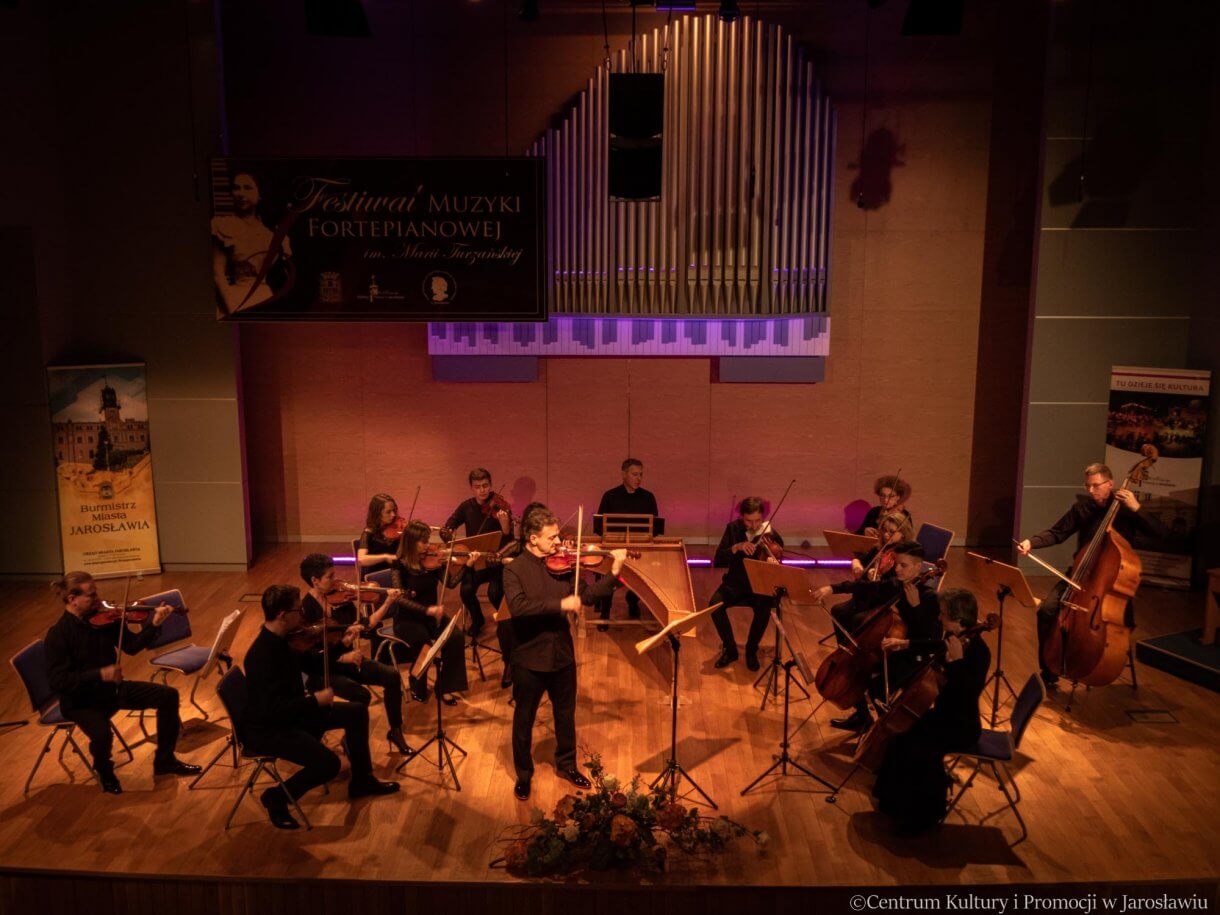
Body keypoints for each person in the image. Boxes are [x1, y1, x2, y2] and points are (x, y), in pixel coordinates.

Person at [244, 585, 399, 830]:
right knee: (329, 764)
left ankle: (362, 780)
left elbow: (315, 664)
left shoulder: (285, 640)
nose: (302, 616)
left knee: (357, 711)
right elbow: (272, 710)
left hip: (294, 714)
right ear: (283, 615)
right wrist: (314, 701)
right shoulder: (260, 656)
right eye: (298, 611)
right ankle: (277, 797)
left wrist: (341, 645)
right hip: (271, 729)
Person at [501, 506, 627, 801]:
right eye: (552, 538)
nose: (559, 544)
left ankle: (567, 764)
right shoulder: (514, 570)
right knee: (524, 718)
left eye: (558, 537)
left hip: (561, 655)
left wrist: (614, 572)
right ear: (533, 539)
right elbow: (519, 608)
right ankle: (523, 774)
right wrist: (561, 606)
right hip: (529, 659)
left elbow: (588, 596)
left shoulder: (564, 567)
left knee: (565, 714)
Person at [43, 572, 201, 794]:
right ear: (72, 599)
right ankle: (105, 771)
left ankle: (165, 760)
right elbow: (59, 681)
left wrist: (154, 624)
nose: (98, 599)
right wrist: (100, 674)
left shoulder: (104, 620)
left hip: (111, 691)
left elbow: (132, 646)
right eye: (91, 594)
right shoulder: (58, 635)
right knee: (102, 734)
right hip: (81, 701)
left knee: (168, 695)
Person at [1017, 461, 1169, 688]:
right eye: (1088, 486)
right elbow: (1058, 533)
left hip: (1109, 585)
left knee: (1102, 626)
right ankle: (1049, 671)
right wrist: (1031, 542)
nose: (1091, 491)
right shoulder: (1083, 508)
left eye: (1096, 486)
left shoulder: (1126, 509)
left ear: (1111, 484)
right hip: (1080, 574)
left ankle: (1091, 663)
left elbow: (1162, 534)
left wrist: (1137, 508)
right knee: (1047, 610)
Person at [871, 588, 991, 833]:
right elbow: (933, 645)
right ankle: (893, 804)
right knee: (900, 736)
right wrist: (905, 643)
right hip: (944, 716)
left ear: (958, 619)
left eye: (943, 614)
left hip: (961, 725)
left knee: (919, 749)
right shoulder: (954, 638)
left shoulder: (978, 652)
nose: (939, 618)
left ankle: (923, 817)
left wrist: (956, 663)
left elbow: (966, 694)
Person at [814, 540, 942, 732]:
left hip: (912, 652)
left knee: (875, 686)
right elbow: (865, 587)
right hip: (889, 648)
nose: (897, 569)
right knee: (855, 670)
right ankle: (863, 718)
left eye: (903, 565)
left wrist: (916, 607)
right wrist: (832, 588)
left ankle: (886, 734)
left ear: (918, 567)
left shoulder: (929, 597)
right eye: (897, 563)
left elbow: (932, 637)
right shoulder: (895, 584)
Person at [297, 553, 412, 756]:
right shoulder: (306, 610)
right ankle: (351, 739)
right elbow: (311, 654)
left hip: (349, 661)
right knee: (360, 694)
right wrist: (343, 656)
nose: (337, 581)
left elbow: (365, 626)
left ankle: (395, 731)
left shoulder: (340, 599)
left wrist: (387, 603)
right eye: (330, 577)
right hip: (324, 670)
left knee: (391, 676)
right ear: (314, 581)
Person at [389, 521, 471, 703]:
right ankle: (416, 682)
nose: (428, 545)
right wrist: (428, 610)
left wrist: (466, 566)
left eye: (428, 540)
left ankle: (445, 687)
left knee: (456, 637)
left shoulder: (433, 561)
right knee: (424, 642)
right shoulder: (399, 565)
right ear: (410, 542)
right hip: (407, 619)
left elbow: (450, 583)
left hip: (432, 617)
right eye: (423, 542)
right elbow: (400, 599)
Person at [708, 497, 784, 671]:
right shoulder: (733, 529)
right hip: (735, 584)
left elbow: (780, 550)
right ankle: (731, 649)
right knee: (714, 605)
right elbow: (719, 558)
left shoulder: (768, 531)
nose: (754, 525)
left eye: (758, 520)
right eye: (749, 521)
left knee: (765, 608)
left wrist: (773, 558)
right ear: (742, 516)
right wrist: (737, 547)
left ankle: (751, 650)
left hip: (759, 585)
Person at [441, 468, 512, 636]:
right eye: (478, 486)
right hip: (474, 561)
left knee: (494, 593)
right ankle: (477, 619)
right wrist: (448, 532)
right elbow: (449, 525)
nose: (482, 490)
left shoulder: (501, 507)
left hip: (495, 561)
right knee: (466, 590)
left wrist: (505, 526)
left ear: (491, 485)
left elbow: (510, 542)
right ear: (472, 488)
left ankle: (505, 622)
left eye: (486, 485)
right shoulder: (466, 507)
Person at [211, 170, 292, 316]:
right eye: (236, 188)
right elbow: (217, 274)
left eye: (247, 188)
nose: (241, 193)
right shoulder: (224, 226)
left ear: (259, 194)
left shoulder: (271, 234)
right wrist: (234, 309)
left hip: (265, 296)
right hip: (234, 299)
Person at [593, 458, 658, 626]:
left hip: (639, 546)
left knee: (642, 574)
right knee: (609, 576)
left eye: (641, 475)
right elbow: (599, 526)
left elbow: (655, 526)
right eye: (634, 474)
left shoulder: (648, 497)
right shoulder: (610, 496)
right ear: (624, 474)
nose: (638, 479)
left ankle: (633, 599)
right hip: (615, 546)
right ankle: (605, 615)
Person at [357, 493, 402, 575]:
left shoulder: (397, 530)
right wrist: (385, 557)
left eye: (394, 510)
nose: (393, 515)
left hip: (395, 572)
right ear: (377, 513)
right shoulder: (368, 533)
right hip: (376, 575)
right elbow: (361, 559)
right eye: (388, 512)